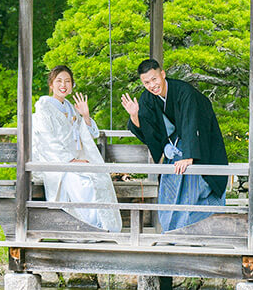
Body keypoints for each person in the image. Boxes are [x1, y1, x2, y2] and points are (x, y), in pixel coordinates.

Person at [121, 58, 228, 232]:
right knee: (170, 188)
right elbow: (149, 130)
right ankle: (171, 230)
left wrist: (189, 156)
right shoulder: (148, 98)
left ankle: (191, 231)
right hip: (175, 151)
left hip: (200, 145)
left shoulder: (184, 92)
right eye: (146, 82)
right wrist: (134, 116)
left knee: (193, 189)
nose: (152, 85)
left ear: (162, 74)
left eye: (154, 79)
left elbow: (191, 123)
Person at [32, 64, 122, 233]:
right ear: (51, 85)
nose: (63, 85)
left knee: (100, 177)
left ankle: (103, 226)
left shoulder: (70, 108)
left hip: (74, 160)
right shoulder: (44, 107)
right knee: (84, 182)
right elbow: (46, 139)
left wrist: (85, 116)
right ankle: (85, 228)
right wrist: (70, 160)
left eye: (67, 81)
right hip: (56, 163)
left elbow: (87, 135)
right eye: (58, 81)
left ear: (72, 86)